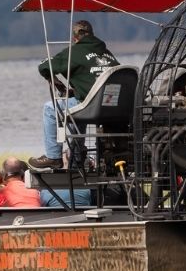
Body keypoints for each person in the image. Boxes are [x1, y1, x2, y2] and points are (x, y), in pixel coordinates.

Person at [29, 20, 119, 169]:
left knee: (50, 109)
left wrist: (56, 81)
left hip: (91, 106)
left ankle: (54, 157)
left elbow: (44, 67)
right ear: (92, 34)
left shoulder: (74, 52)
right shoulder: (107, 53)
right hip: (112, 107)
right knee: (80, 103)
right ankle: (78, 158)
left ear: (75, 37)